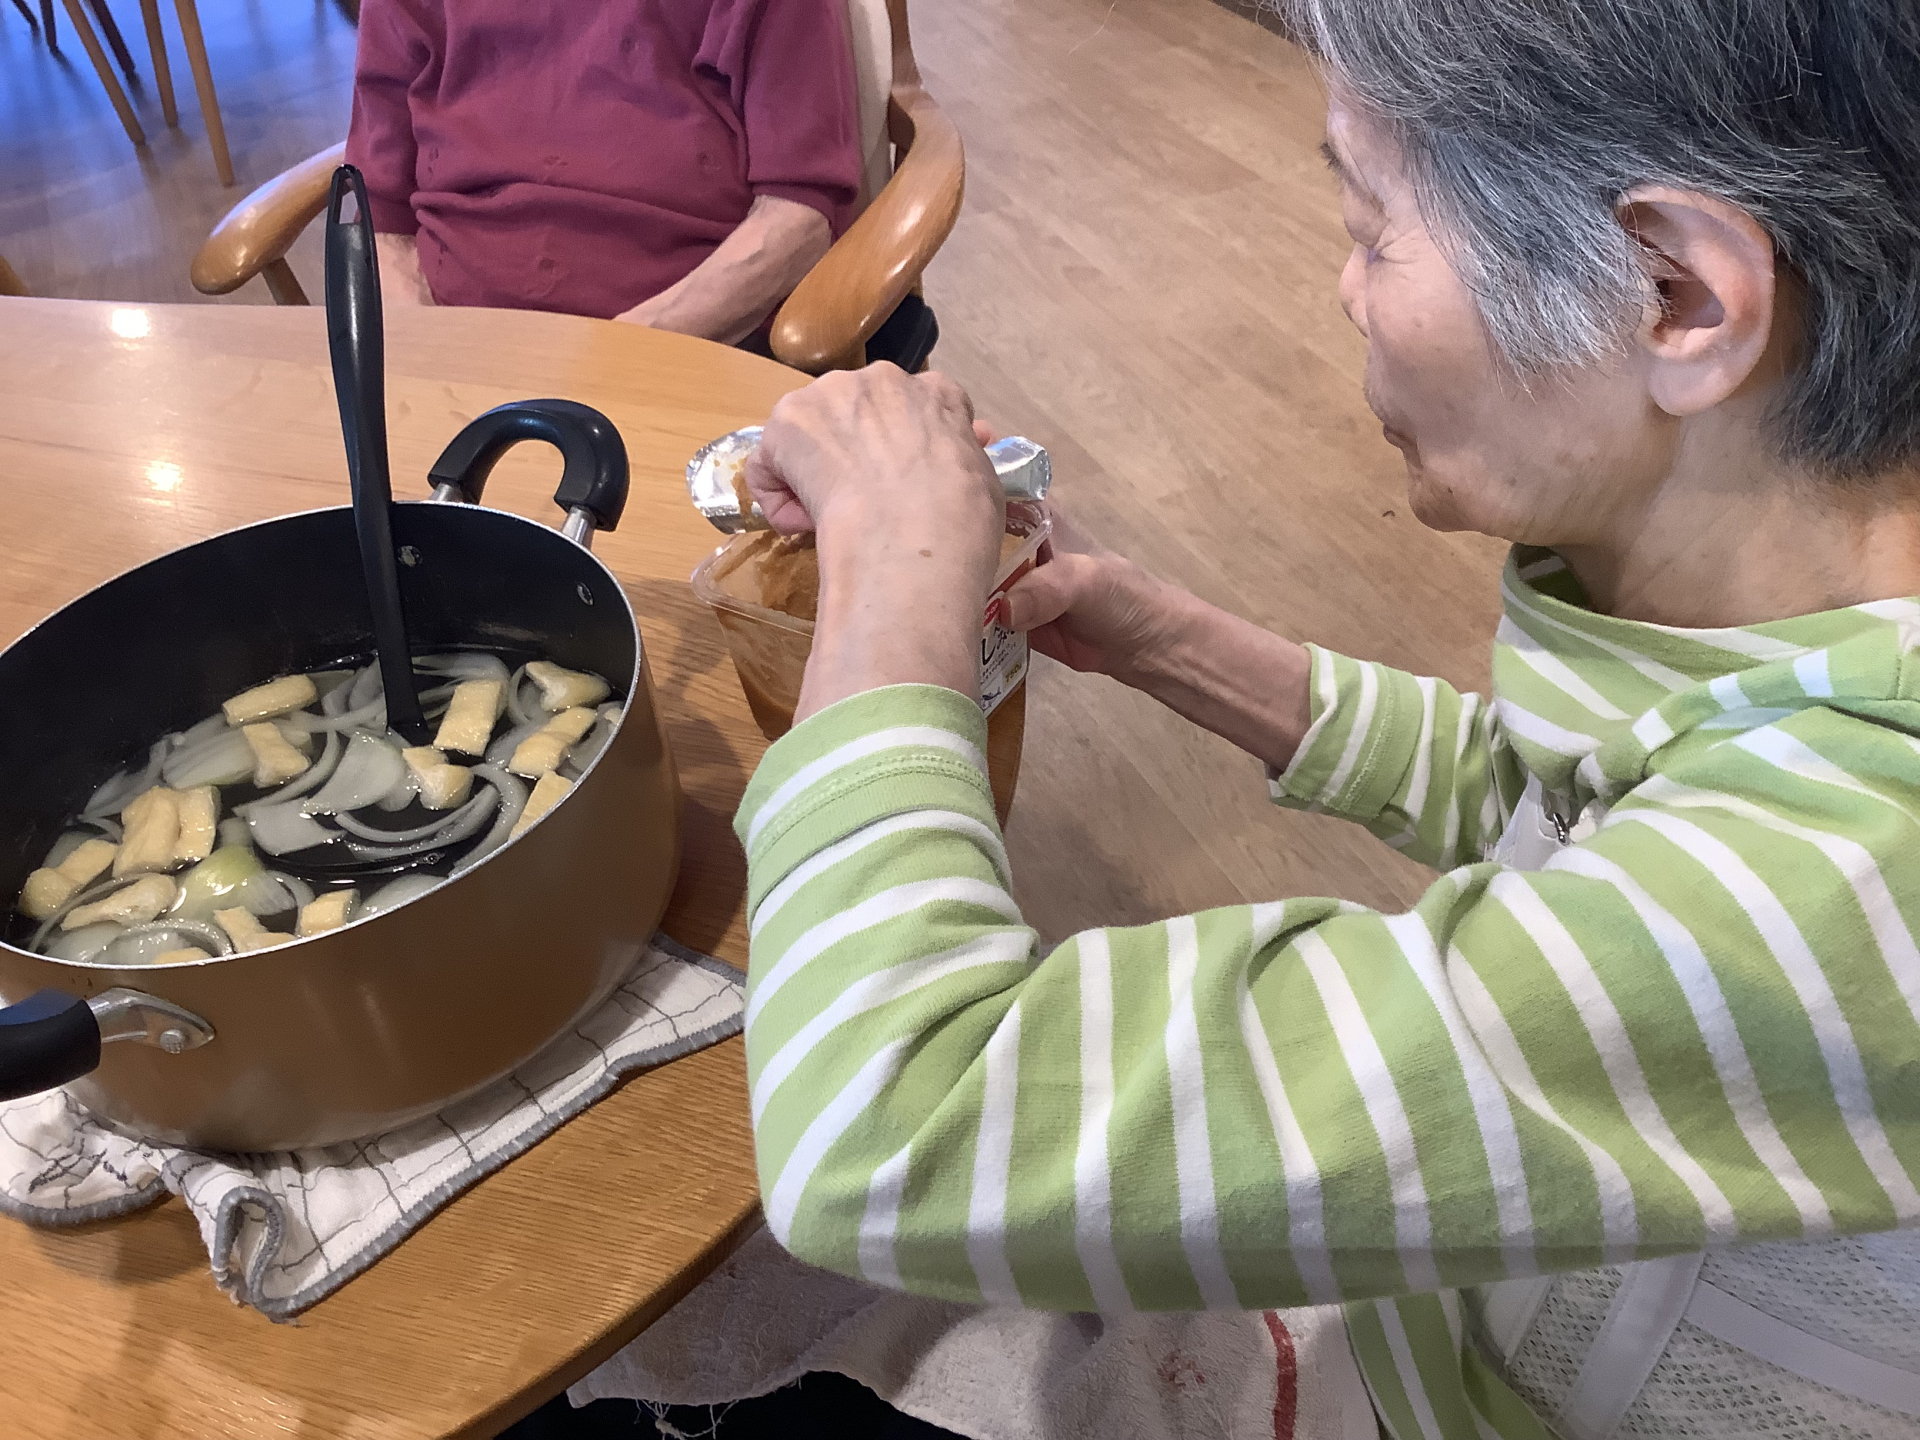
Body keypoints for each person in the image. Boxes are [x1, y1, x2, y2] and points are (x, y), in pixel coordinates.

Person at [727, 0, 1920, 1436]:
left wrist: (897, 571)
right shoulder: (1801, 670)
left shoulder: (1840, 883)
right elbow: (1562, 822)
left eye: (1374, 231)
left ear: (1675, 295)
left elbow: (889, 1128)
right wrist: (1173, 639)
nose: (1348, 291)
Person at [343, 0, 863, 344]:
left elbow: (798, 215)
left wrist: (619, 354)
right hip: (454, 347)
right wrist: (427, 350)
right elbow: (381, 213)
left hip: (679, 344)